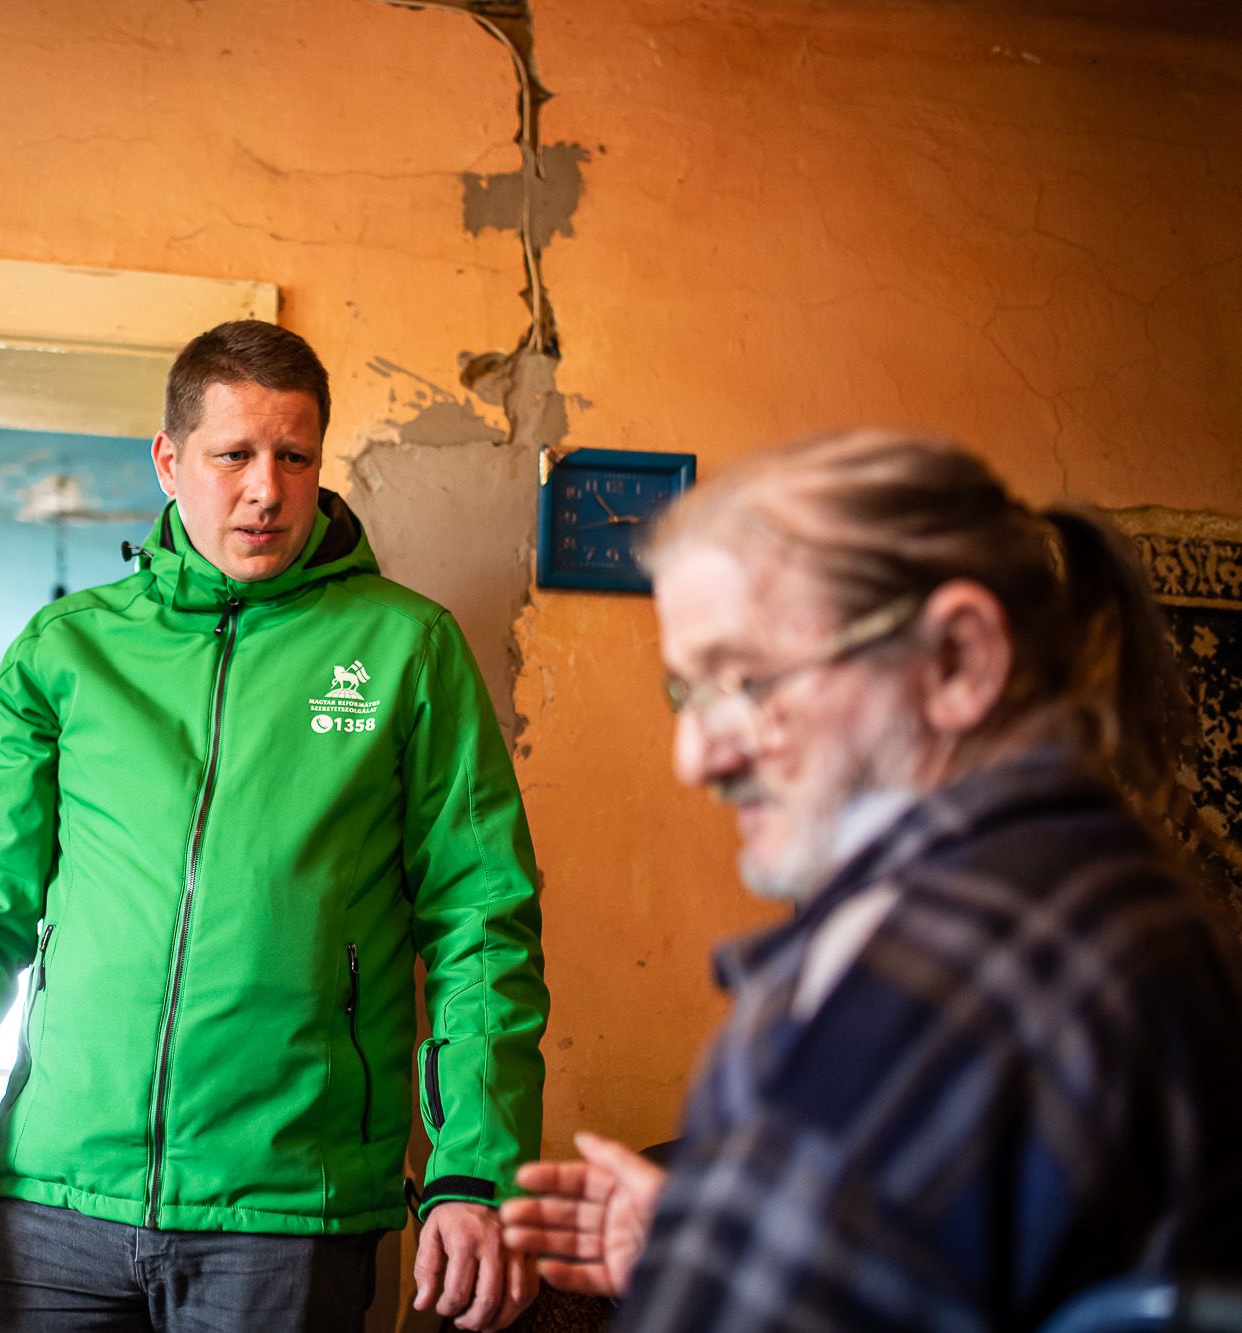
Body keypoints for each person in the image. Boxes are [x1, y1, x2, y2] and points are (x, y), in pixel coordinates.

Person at [0, 320, 549, 1332]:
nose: (266, 490)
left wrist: (475, 1171)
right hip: (54, 1200)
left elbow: (482, 927)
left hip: (288, 1210)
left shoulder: (406, 649)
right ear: (167, 460)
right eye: (233, 455)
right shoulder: (67, 652)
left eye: (294, 456)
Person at [500, 430, 1242, 1330]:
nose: (696, 757)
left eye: (746, 681)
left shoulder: (929, 974)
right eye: (687, 694)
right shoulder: (1117, 898)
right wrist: (727, 1238)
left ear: (958, 660)